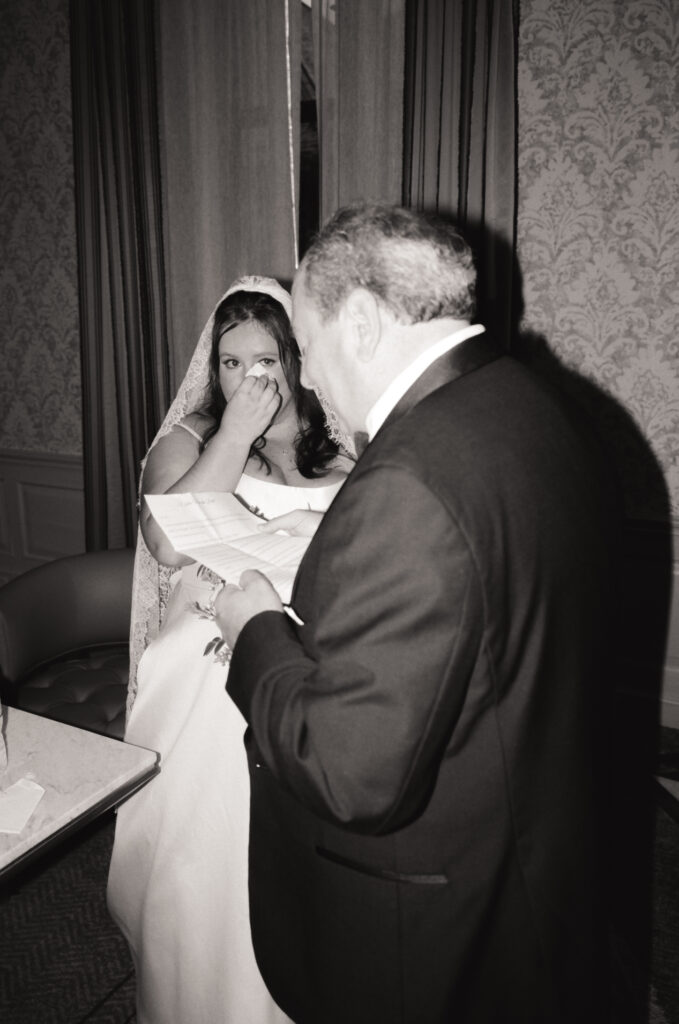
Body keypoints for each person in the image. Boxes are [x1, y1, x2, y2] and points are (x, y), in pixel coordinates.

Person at [214, 206, 618, 1023]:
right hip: (522, 840)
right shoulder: (536, 405)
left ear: (359, 321)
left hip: (421, 916)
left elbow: (348, 774)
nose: (310, 379)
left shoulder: (406, 482)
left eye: (310, 345)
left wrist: (256, 627)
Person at [107, 276, 350, 1024]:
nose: (250, 379)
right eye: (230, 363)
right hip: (205, 634)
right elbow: (164, 542)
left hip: (312, 634)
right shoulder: (190, 439)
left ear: (297, 362)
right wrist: (235, 435)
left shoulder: (343, 441)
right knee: (215, 744)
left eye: (267, 361)